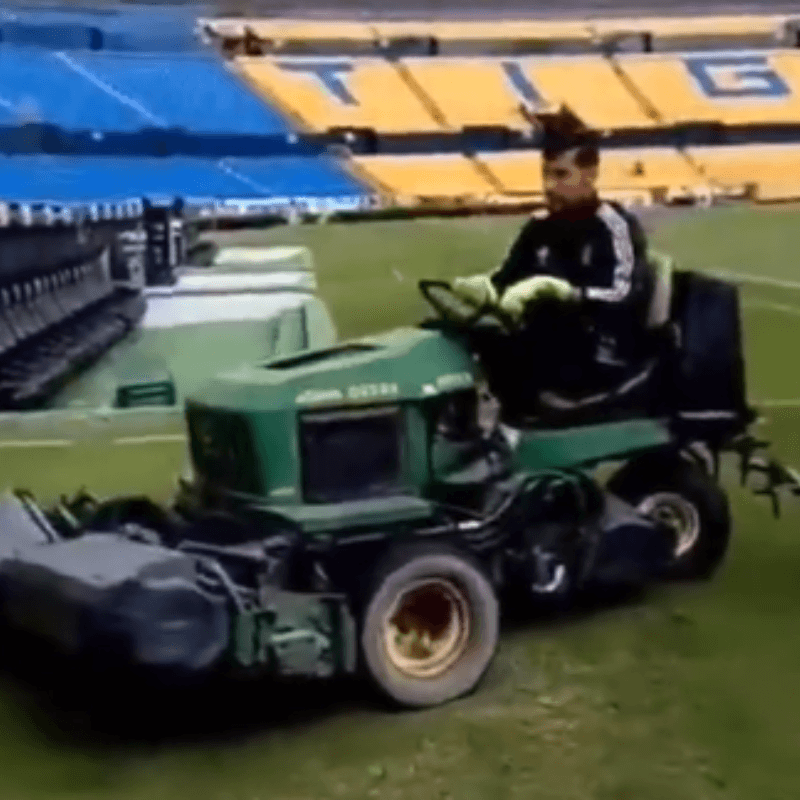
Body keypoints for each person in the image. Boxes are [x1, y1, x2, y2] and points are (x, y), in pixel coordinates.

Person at [452, 106, 656, 409]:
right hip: (548, 343)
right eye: (546, 174)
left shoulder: (613, 226)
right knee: (459, 336)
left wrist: (564, 292)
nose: (549, 186)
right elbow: (508, 279)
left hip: (601, 353)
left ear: (590, 174)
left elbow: (624, 294)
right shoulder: (539, 226)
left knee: (532, 336)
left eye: (561, 175)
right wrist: (484, 289)